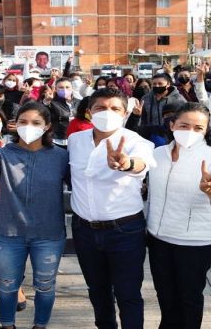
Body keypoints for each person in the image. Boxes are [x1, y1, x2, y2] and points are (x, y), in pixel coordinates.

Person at [0, 102, 69, 329]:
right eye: (23, 122)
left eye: (36, 123)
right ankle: (7, 325)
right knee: (7, 285)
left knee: (45, 285)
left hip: (48, 235)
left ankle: (40, 325)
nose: (28, 127)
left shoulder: (60, 157)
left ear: (47, 127)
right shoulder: (3, 154)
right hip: (9, 234)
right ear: (14, 125)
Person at [68, 88, 156, 329]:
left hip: (124, 231)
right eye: (100, 108)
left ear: (126, 113)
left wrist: (126, 164)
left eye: (115, 108)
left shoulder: (137, 142)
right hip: (84, 230)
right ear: (89, 112)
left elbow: (141, 164)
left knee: (128, 294)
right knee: (97, 292)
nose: (107, 113)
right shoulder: (76, 141)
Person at [146, 102, 211, 329]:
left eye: (198, 128)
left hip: (195, 243)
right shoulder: (157, 154)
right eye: (184, 125)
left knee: (189, 300)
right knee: (166, 298)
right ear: (172, 124)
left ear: (206, 131)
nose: (190, 132)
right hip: (159, 240)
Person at [43, 77, 76, 147]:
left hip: (76, 140)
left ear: (72, 88)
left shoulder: (79, 102)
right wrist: (47, 101)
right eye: (61, 87)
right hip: (57, 140)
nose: (64, 90)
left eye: (67, 87)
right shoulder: (52, 103)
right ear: (56, 89)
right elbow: (42, 111)